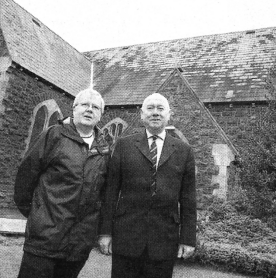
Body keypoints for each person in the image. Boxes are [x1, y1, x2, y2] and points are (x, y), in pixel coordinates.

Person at [99, 93, 197, 278]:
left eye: (160, 109)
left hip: (164, 241)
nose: (155, 113)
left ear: (169, 114)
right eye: (150, 108)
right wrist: (105, 233)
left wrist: (188, 239)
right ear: (142, 114)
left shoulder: (184, 151)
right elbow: (110, 193)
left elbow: (189, 200)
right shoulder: (123, 145)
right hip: (126, 238)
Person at [14, 88, 109, 278]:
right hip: (44, 240)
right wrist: (38, 214)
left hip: (78, 244)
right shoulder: (54, 135)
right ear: (74, 109)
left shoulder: (105, 149)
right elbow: (25, 177)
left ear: (100, 115)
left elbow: (104, 193)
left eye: (95, 107)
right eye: (84, 105)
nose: (89, 110)